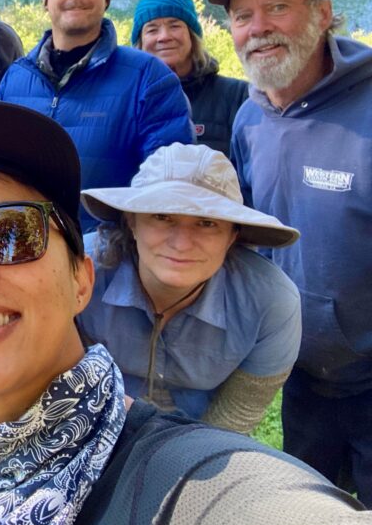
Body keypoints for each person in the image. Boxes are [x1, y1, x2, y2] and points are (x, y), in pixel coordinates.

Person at [0, 99, 370, 525]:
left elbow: (243, 452)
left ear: (78, 284)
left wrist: (168, 471)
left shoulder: (272, 302)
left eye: (10, 234)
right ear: (130, 224)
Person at [211, 0, 372, 505]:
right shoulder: (249, 119)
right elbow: (253, 241)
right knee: (315, 518)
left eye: (277, 8)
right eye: (242, 16)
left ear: (323, 14)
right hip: (303, 380)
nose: (258, 29)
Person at [78, 142, 301, 433]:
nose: (181, 244)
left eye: (207, 223)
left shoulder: (271, 302)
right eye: (161, 216)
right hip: (89, 421)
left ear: (233, 236)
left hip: (199, 437)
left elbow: (237, 413)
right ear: (131, 222)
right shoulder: (77, 272)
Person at [0, 0, 193, 230]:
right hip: (24, 255)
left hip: (105, 263)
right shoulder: (16, 79)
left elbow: (170, 188)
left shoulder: (148, 78)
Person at [131, 0, 248, 156]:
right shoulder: (127, 100)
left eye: (174, 26)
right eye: (152, 29)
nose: (164, 36)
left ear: (192, 36)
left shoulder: (237, 96)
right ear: (140, 42)